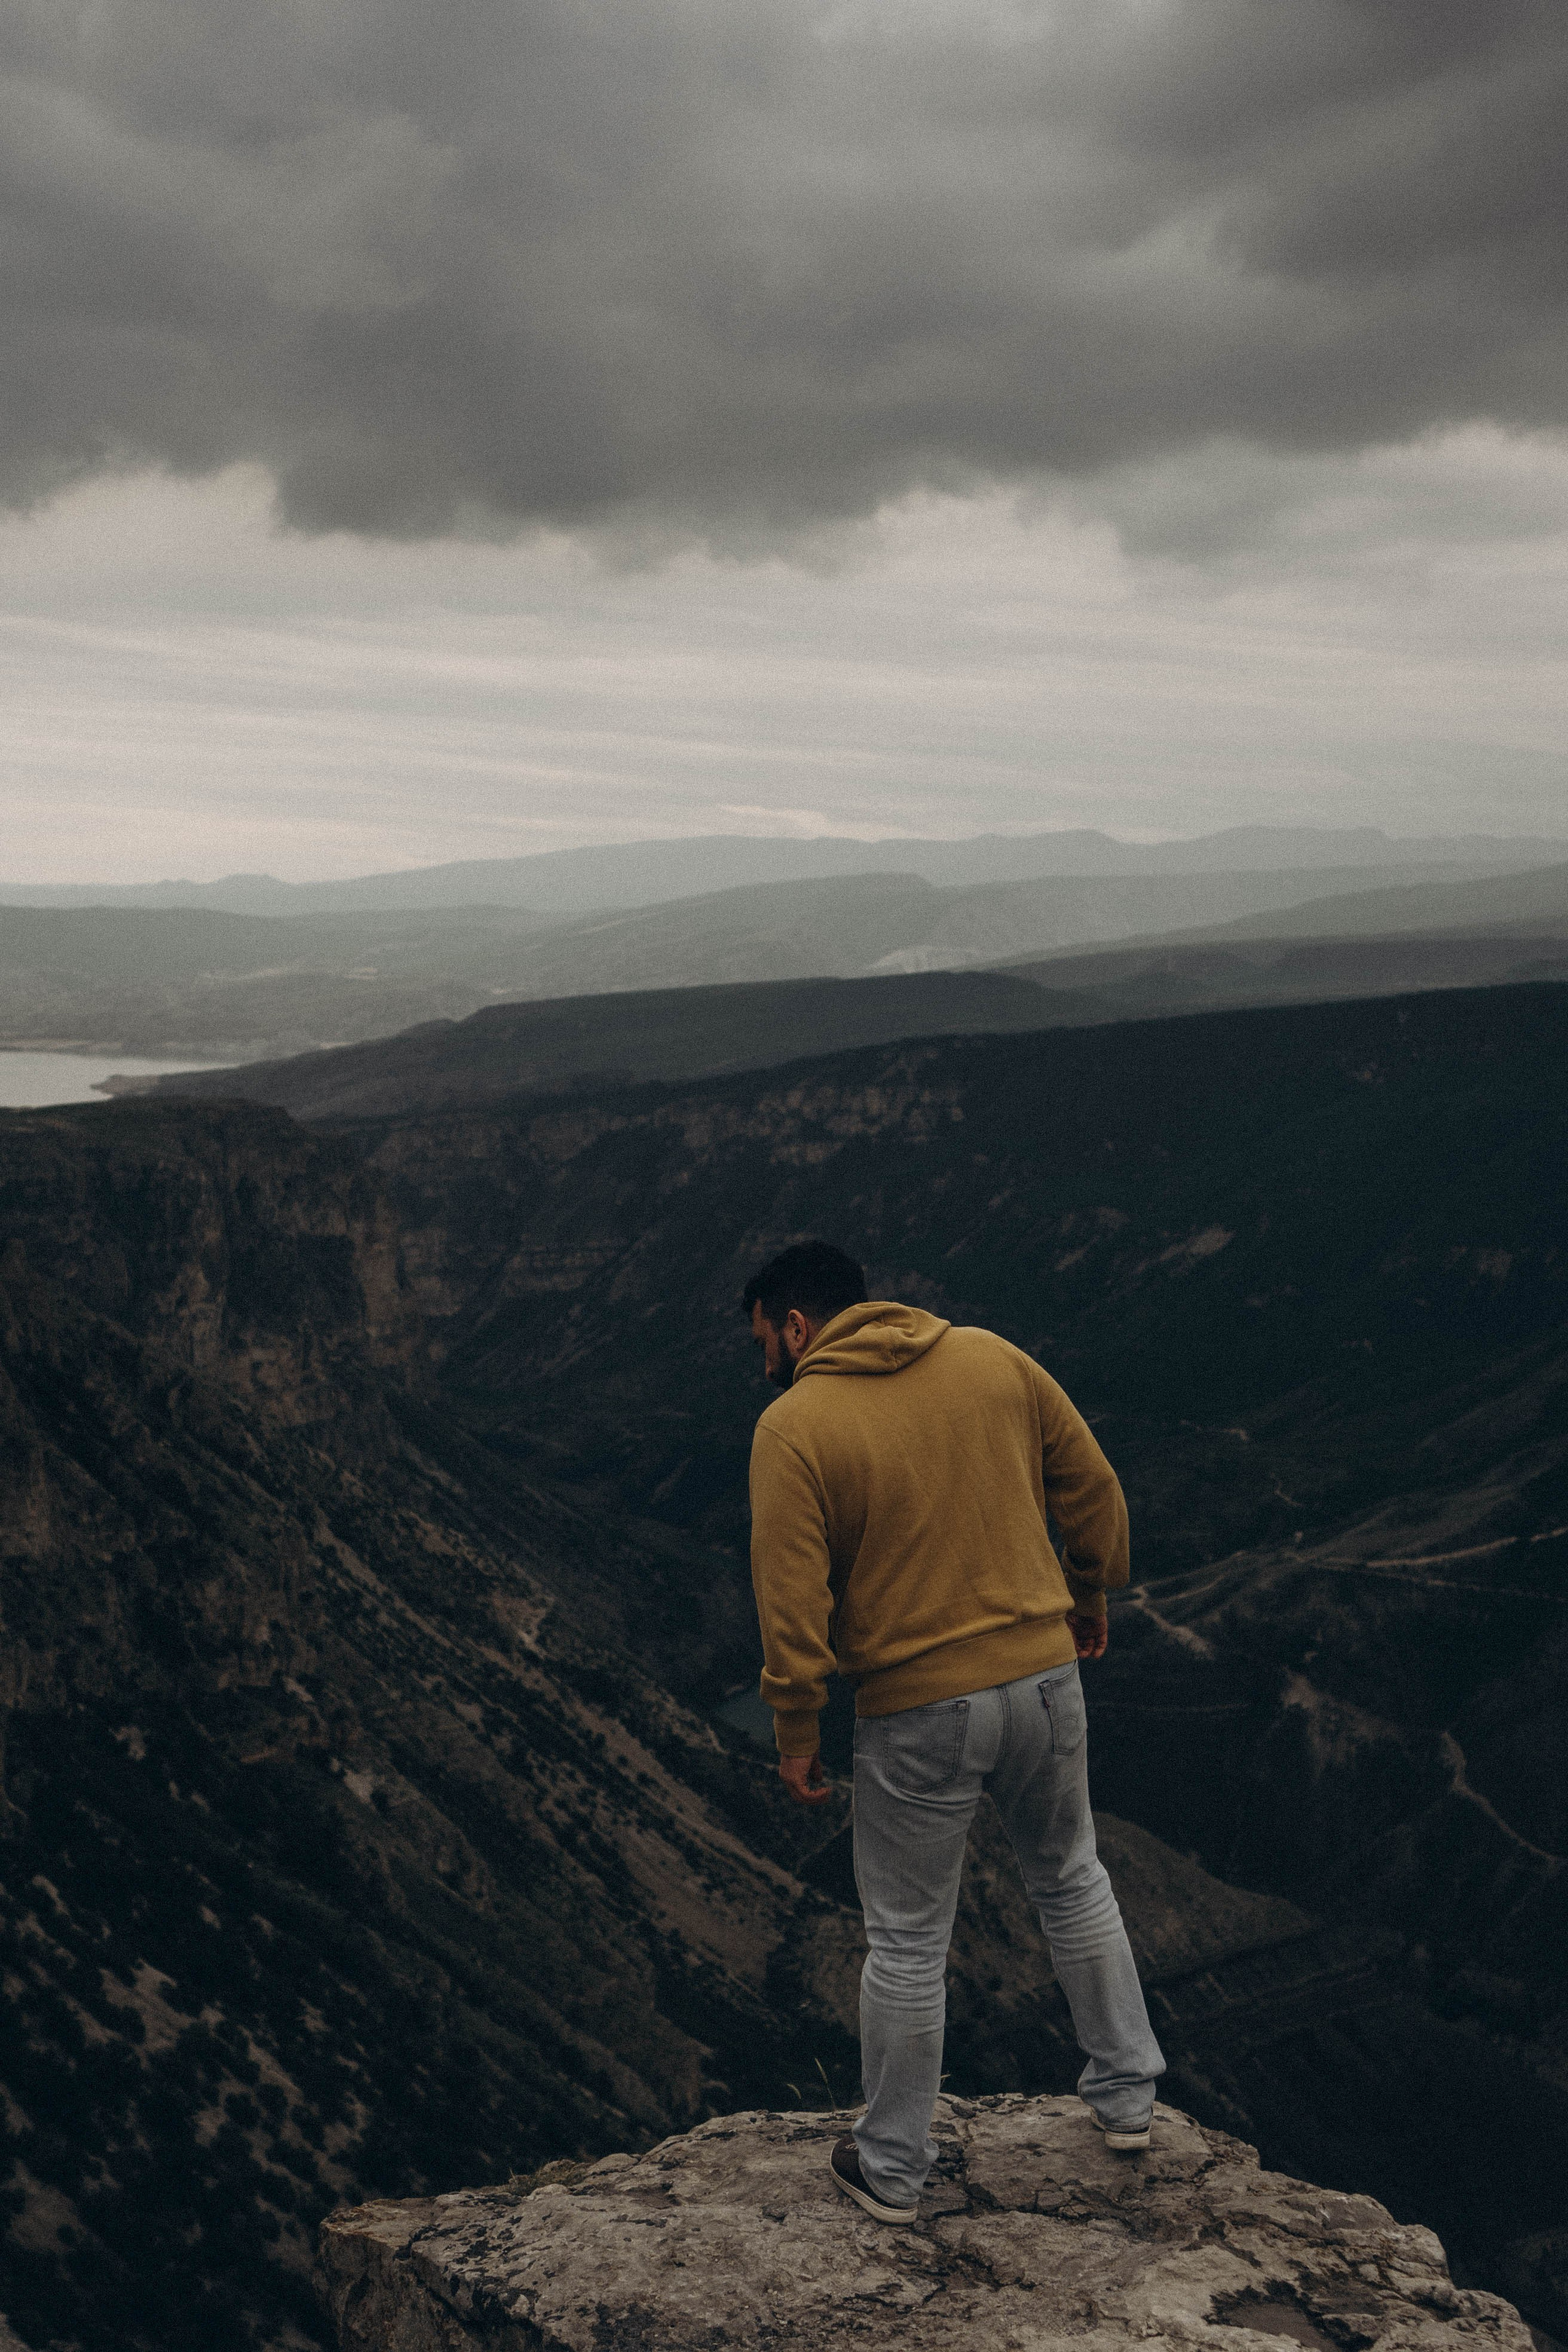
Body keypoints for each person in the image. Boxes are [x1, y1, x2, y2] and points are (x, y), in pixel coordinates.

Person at [744, 1239, 1164, 2225]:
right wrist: (1091, 1589)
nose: (763, 1360)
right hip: (1047, 1676)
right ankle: (1129, 2096)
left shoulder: (793, 1425)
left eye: (764, 1340)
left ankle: (891, 2165)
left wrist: (796, 1723)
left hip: (919, 1706)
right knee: (1072, 1877)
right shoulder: (991, 1356)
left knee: (906, 1942)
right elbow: (1094, 1490)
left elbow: (792, 1603)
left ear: (797, 1327)